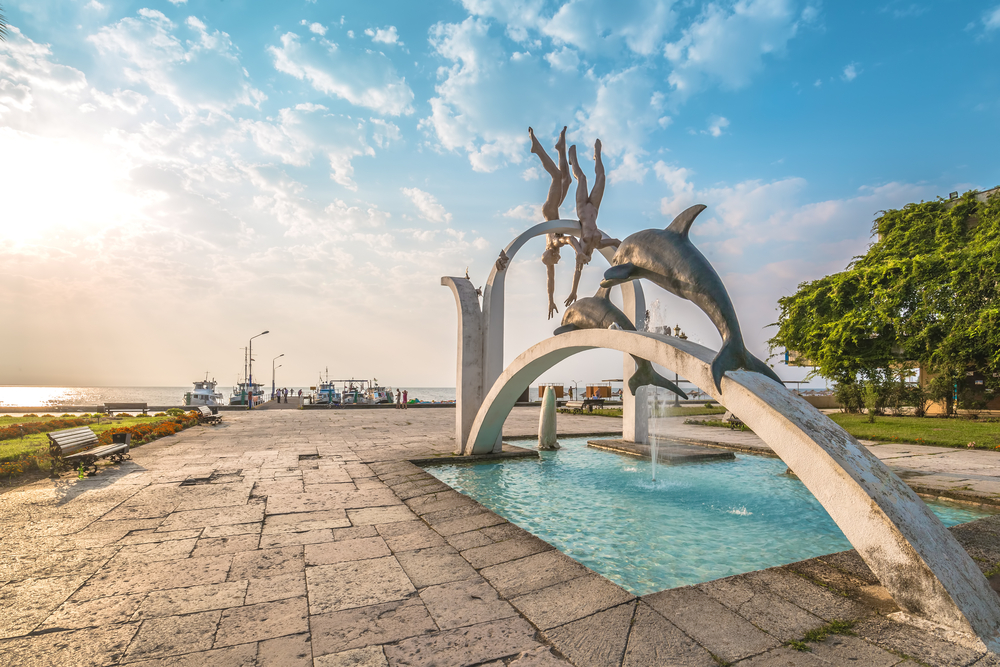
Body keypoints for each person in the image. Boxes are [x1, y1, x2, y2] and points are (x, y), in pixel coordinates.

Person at [564, 139, 620, 307]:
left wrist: (574, 291)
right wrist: (626, 253)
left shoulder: (580, 247)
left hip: (582, 208)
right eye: (585, 261)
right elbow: (617, 242)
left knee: (582, 179)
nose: (583, 261)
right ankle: (597, 153)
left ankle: (572, 158)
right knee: (601, 177)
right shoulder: (599, 244)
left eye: (581, 261)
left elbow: (571, 239)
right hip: (594, 209)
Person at [530, 126, 574, 320]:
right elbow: (551, 280)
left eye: (553, 261)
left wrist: (550, 299)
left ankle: (537, 149)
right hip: (553, 211)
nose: (557, 262)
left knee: (556, 176)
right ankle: (560, 147)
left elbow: (550, 279)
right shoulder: (553, 246)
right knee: (567, 180)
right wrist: (550, 299)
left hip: (550, 211)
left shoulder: (553, 244)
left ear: (550, 255)